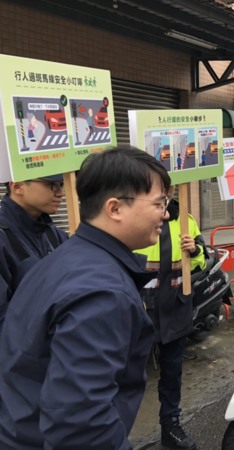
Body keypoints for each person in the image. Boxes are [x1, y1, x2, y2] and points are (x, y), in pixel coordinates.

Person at [0, 146, 171, 449]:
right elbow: (81, 426)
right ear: (114, 208)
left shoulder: (68, 254)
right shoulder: (102, 293)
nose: (166, 213)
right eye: (159, 203)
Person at [135, 186, 206, 450]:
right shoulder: (136, 217)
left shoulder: (186, 219)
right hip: (141, 308)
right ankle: (117, 433)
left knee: (172, 373)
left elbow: (202, 260)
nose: (167, 192)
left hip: (176, 307)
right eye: (160, 188)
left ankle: (171, 425)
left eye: (170, 187)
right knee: (128, 375)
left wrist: (195, 250)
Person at [0, 174, 69, 331]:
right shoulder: (3, 238)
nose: (60, 193)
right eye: (52, 185)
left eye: (61, 184)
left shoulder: (55, 235)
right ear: (17, 186)